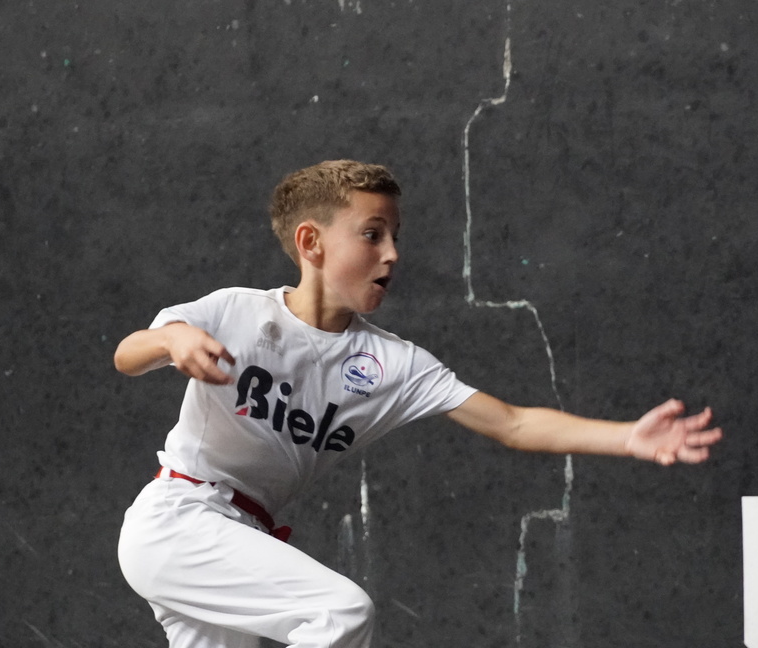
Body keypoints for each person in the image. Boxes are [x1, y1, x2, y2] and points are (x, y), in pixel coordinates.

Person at [114, 160, 722, 648]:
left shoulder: (393, 364)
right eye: (372, 234)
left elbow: (512, 423)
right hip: (180, 519)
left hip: (242, 536)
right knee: (340, 612)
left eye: (395, 237)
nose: (392, 254)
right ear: (311, 242)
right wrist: (172, 339)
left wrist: (626, 437)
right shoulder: (236, 310)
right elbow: (129, 353)